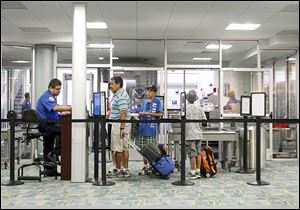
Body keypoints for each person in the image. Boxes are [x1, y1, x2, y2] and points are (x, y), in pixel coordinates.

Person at [36, 78, 72, 176]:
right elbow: (56, 108)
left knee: (48, 145)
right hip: (44, 124)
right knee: (63, 131)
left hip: (48, 123)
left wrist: (62, 113)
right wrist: (71, 107)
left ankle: (50, 171)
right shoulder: (48, 96)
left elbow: (53, 112)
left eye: (60, 89)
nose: (59, 91)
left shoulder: (51, 96)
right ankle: (54, 152)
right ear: (51, 88)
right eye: (57, 89)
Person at [109, 76, 131, 177]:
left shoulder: (121, 95)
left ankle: (118, 170)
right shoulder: (117, 94)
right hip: (122, 123)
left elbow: (123, 113)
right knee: (124, 147)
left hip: (120, 124)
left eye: (112, 84)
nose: (110, 86)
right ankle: (125, 169)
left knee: (118, 148)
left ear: (118, 84)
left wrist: (121, 128)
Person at [138, 85, 163, 175]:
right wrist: (140, 114)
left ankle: (153, 166)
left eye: (151, 91)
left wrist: (147, 113)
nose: (148, 93)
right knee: (143, 149)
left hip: (152, 130)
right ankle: (145, 166)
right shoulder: (144, 102)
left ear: (155, 93)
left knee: (152, 149)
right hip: (143, 128)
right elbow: (140, 113)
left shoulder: (157, 102)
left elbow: (160, 114)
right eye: (148, 91)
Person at [185, 89, 207, 179]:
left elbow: (180, 119)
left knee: (192, 154)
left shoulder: (185, 109)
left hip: (190, 135)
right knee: (198, 153)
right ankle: (198, 172)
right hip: (198, 134)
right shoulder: (199, 109)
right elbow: (204, 122)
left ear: (187, 99)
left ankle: (193, 173)